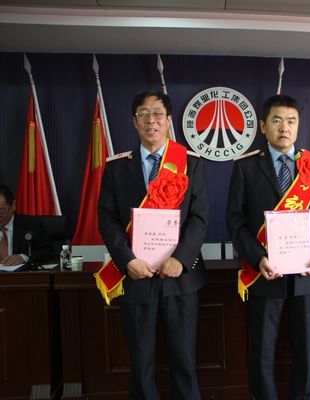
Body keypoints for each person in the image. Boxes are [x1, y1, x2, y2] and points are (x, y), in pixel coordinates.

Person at [226, 94, 310, 400]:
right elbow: (235, 220)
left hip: (308, 274)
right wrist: (257, 257)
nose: (284, 127)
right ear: (263, 126)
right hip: (264, 273)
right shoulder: (246, 167)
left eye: (291, 121)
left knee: (306, 350)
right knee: (262, 351)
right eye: (277, 120)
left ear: (298, 126)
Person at [98, 90, 208, 400]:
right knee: (141, 364)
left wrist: (180, 259)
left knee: (184, 362)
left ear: (169, 120)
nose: (151, 120)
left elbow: (200, 219)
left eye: (158, 113)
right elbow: (106, 219)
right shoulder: (117, 167)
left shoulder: (190, 164)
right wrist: (127, 260)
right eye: (143, 114)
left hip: (180, 278)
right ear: (134, 122)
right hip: (136, 276)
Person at [0, 184, 54, 266]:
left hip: (21, 273)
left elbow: (49, 252)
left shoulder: (32, 225)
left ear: (13, 205)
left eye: (1, 211)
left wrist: (24, 257)